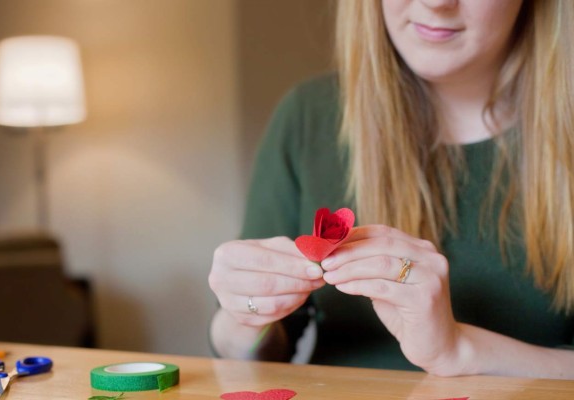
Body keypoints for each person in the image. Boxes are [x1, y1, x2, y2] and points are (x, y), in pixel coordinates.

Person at [208, 0, 574, 379]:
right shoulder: (308, 117)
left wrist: (460, 351)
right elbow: (251, 355)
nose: (436, 2)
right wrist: (245, 318)